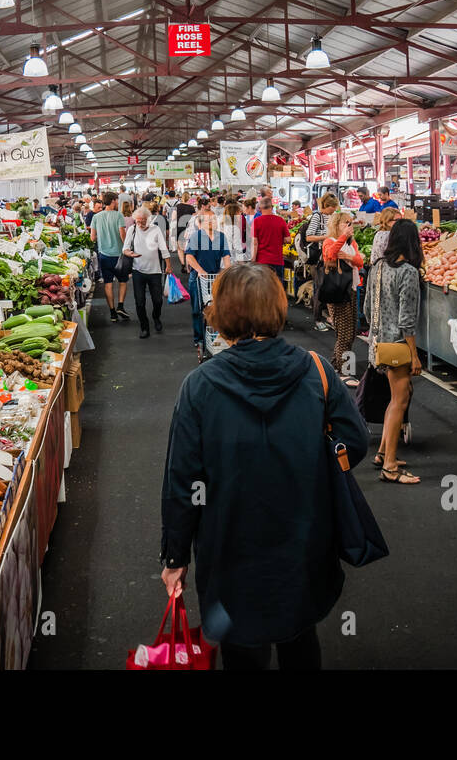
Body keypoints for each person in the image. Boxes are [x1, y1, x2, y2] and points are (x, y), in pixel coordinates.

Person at [159, 262, 369, 670]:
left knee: (241, 647)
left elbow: (182, 480)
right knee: (300, 633)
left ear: (221, 313)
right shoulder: (317, 371)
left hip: (230, 542)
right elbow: (354, 442)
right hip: (306, 535)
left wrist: (175, 557)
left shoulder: (200, 386)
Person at [365, 218, 424, 483]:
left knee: (398, 397)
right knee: (399, 401)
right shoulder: (409, 272)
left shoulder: (377, 267)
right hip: (398, 346)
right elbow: (407, 321)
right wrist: (414, 355)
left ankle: (382, 453)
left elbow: (366, 308)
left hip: (377, 343)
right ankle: (390, 466)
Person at [322, 210, 364, 384]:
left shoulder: (351, 243)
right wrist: (342, 240)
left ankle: (335, 365)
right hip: (338, 291)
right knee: (345, 334)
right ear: (336, 224)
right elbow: (330, 255)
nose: (349, 226)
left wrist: (348, 256)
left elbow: (360, 262)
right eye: (345, 223)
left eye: (350, 222)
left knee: (349, 332)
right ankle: (345, 371)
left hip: (352, 289)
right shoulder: (329, 241)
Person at [184, 210, 231, 361]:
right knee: (198, 310)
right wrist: (200, 270)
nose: (211, 222)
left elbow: (226, 256)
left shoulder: (220, 237)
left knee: (216, 309)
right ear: (201, 222)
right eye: (207, 219)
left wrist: (228, 272)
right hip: (198, 278)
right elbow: (189, 256)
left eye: (213, 219)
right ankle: (199, 339)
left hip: (214, 277)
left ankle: (214, 338)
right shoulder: (196, 236)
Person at [123, 205, 170, 338]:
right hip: (138, 271)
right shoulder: (132, 230)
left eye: (143, 220)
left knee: (158, 301)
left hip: (155, 271)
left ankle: (156, 317)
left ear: (148, 219)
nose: (140, 223)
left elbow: (163, 248)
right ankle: (144, 327)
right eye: (138, 221)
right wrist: (130, 254)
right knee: (139, 301)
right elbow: (125, 249)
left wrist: (168, 265)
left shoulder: (155, 230)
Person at [90, 192, 130, 323]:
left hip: (104, 255)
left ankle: (112, 313)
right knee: (123, 281)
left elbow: (92, 238)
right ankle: (120, 306)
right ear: (113, 201)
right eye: (116, 200)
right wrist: (128, 247)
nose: (117, 202)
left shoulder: (96, 217)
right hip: (119, 255)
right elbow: (122, 234)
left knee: (108, 283)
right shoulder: (118, 215)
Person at [304, 194, 338, 332]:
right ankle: (317, 319)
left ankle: (330, 317)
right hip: (319, 258)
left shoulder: (333, 217)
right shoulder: (317, 217)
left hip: (331, 257)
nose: (334, 209)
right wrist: (327, 237)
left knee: (331, 287)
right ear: (325, 205)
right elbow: (308, 237)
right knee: (320, 287)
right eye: (332, 207)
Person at [250, 195, 291, 299]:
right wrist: (278, 239)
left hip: (262, 261)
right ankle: (278, 311)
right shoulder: (280, 220)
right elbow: (288, 240)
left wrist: (253, 259)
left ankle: (263, 312)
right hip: (277, 260)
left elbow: (255, 243)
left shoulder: (256, 222)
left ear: (260, 208)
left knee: (262, 288)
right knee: (277, 288)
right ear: (272, 207)